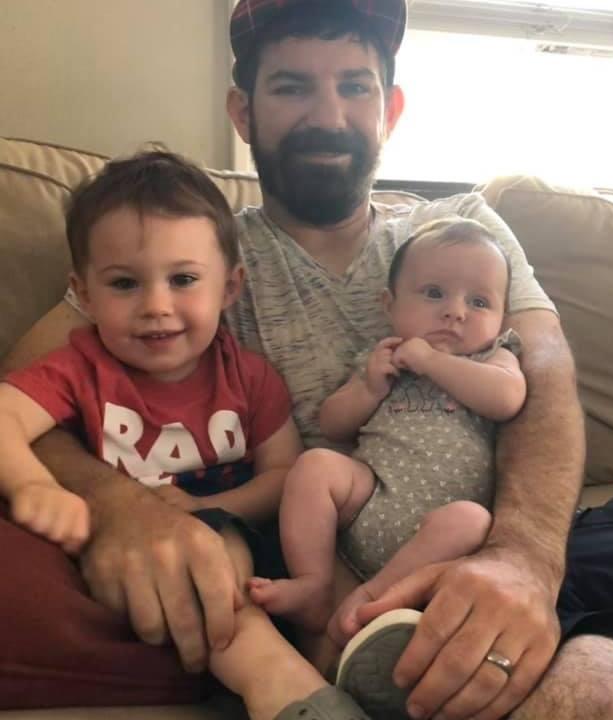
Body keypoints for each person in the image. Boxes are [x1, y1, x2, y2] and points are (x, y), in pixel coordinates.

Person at [2, 1, 613, 719]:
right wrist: (118, 504)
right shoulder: (191, 255)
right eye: (292, 87)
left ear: (390, 108)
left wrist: (525, 556)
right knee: (609, 692)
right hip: (359, 572)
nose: (328, 115)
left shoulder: (462, 230)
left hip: (538, 532)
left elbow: (545, 380)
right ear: (243, 112)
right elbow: (27, 391)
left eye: (354, 86)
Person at [0, 149, 373, 720]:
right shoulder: (79, 367)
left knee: (273, 550)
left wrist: (207, 509)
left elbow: (284, 475)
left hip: (237, 541)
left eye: (183, 280)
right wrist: (34, 485)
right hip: (116, 558)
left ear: (230, 287)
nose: (156, 306)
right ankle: (278, 684)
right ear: (85, 293)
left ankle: (333, 673)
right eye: (125, 283)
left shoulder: (250, 377)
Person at [248, 217, 525, 640]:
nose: (455, 311)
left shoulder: (493, 358)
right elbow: (332, 425)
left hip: (440, 531)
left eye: (479, 302)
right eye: (434, 293)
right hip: (369, 498)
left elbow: (506, 398)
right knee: (316, 464)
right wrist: (368, 388)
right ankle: (314, 583)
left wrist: (433, 362)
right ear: (389, 306)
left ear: (502, 319)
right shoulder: (383, 359)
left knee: (472, 519)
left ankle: (372, 597)